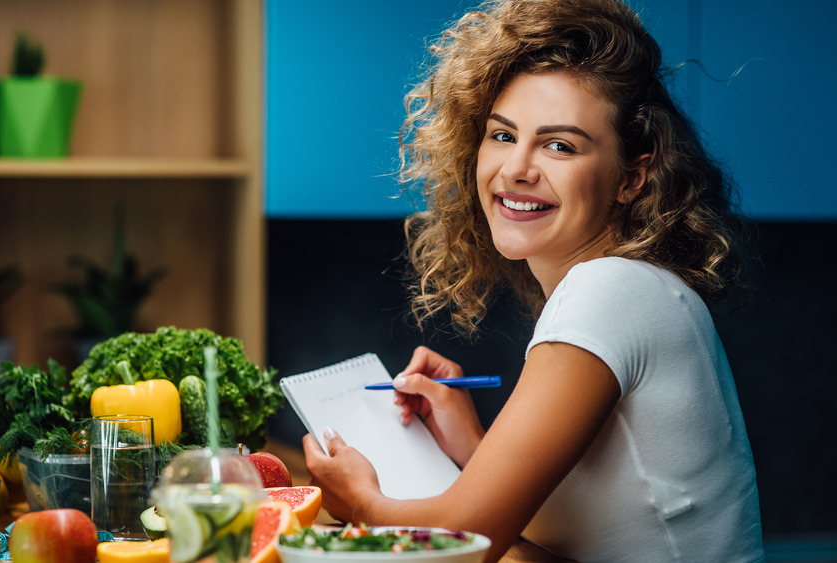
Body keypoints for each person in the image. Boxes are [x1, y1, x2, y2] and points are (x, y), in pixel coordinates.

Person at [301, 0, 765, 561]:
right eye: (502, 135)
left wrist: (362, 503)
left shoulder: (611, 291)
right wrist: (474, 447)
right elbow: (577, 531)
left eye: (559, 145)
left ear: (632, 178)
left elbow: (465, 543)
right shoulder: (636, 288)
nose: (516, 167)